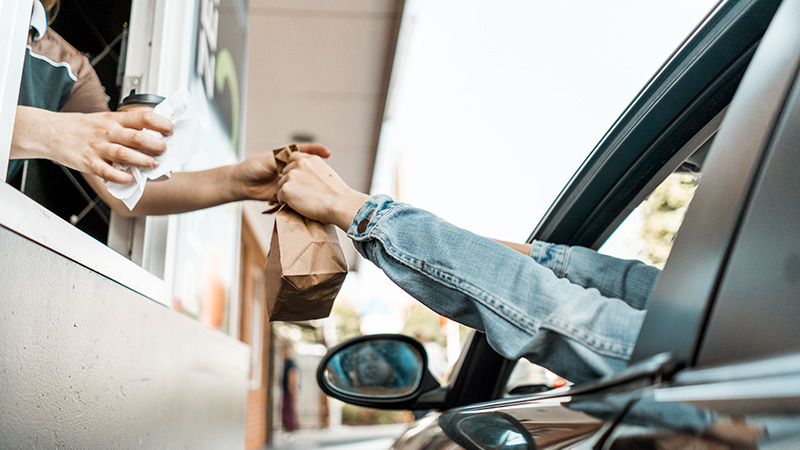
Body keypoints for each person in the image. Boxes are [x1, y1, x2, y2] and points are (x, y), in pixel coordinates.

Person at [275, 153, 662, 384]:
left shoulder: (713, 356)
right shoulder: (714, 309)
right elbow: (601, 276)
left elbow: (570, 321)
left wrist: (357, 211)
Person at [9, 1, 330, 237]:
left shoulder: (71, 70)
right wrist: (51, 132)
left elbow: (124, 190)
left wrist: (236, 182)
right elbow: (68, 137)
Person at [280, 345, 299, 433]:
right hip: (287, 390)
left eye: (284, 352)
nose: (283, 354)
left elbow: (293, 374)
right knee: (288, 409)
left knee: (287, 409)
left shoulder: (290, 362)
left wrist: (291, 388)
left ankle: (291, 429)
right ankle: (291, 428)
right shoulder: (287, 362)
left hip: (288, 391)